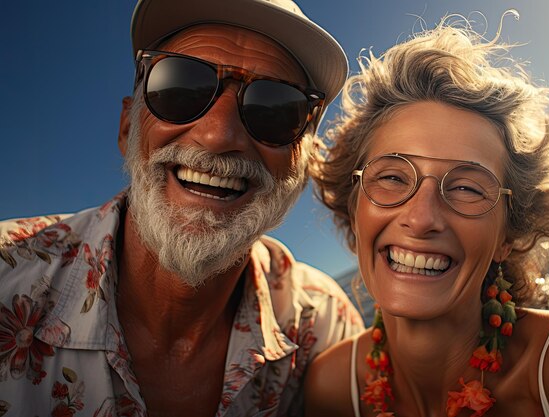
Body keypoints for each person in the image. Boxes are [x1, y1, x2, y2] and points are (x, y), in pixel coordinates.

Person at [0, 0, 364, 415]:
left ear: (302, 165)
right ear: (126, 128)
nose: (217, 134)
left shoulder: (323, 326)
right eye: (179, 88)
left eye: (275, 110)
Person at [305, 14, 549, 417]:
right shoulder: (330, 389)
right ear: (355, 212)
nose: (421, 218)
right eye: (391, 177)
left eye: (467, 188)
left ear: (507, 235)